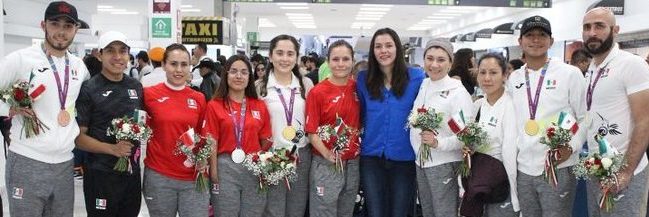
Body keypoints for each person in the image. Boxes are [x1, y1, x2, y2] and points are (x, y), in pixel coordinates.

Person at [0, 1, 90, 216]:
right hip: (27, 160)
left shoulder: (79, 66)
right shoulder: (20, 59)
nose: (61, 31)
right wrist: (10, 108)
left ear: (76, 29)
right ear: (43, 25)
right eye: (55, 24)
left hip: (64, 164)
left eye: (68, 26)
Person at [509, 15, 587, 217]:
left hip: (558, 165)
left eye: (542, 35)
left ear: (551, 41)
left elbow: (585, 118)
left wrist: (571, 147)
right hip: (524, 167)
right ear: (520, 42)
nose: (536, 40)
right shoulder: (514, 78)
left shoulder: (570, 74)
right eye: (530, 35)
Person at [582, 8, 649, 217]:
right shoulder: (592, 68)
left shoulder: (632, 64)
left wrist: (625, 172)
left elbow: (644, 121)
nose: (592, 32)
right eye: (587, 27)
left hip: (625, 172)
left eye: (599, 26)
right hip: (596, 170)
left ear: (615, 30)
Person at [356, 27, 425, 217]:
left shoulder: (416, 78)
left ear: (397, 49)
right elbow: (360, 113)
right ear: (373, 51)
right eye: (378, 46)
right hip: (371, 156)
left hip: (405, 156)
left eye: (388, 45)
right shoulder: (363, 79)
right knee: (375, 212)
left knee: (400, 212)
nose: (383, 50)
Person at [74, 31, 143, 216]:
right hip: (100, 175)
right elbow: (79, 138)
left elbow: (141, 123)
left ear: (129, 55)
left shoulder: (135, 87)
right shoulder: (89, 88)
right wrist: (112, 149)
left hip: (131, 174)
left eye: (123, 51)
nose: (118, 57)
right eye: (111, 51)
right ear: (100, 54)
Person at [142, 44, 209, 217]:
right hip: (159, 176)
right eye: (173, 64)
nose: (179, 70)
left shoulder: (199, 98)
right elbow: (138, 127)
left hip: (193, 177)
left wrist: (204, 158)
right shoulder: (148, 95)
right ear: (164, 65)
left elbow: (202, 135)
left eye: (184, 64)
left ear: (190, 66)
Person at [202, 54, 272, 217]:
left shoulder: (259, 105)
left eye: (244, 72)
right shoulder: (214, 105)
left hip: (253, 168)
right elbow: (211, 141)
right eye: (233, 71)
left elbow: (266, 140)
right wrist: (214, 173)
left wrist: (262, 166)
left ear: (250, 76)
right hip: (225, 168)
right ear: (226, 74)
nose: (238, 76)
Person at [409, 39, 473, 217]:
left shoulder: (458, 93)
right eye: (430, 58)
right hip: (421, 162)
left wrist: (439, 143)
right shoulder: (425, 84)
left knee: (444, 213)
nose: (434, 64)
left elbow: (465, 135)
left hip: (444, 164)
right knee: (428, 212)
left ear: (450, 63)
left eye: (441, 59)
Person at [256, 34, 314, 217]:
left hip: (301, 153)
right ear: (271, 56)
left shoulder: (306, 84)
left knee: (296, 209)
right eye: (279, 53)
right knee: (273, 210)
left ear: (296, 57)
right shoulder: (259, 87)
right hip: (273, 153)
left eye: (290, 54)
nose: (284, 58)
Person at [305, 40, 360, 217]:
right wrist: (328, 154)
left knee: (346, 212)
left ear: (353, 61)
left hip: (353, 163)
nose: (341, 64)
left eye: (346, 59)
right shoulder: (318, 92)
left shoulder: (358, 89)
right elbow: (311, 132)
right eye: (336, 59)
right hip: (326, 162)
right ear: (328, 62)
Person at [465, 53, 520, 217]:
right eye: (482, 72)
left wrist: (516, 196)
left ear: (504, 75)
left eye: (493, 72)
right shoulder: (478, 105)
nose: (487, 78)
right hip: (479, 182)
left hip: (502, 184)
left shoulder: (511, 106)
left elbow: (510, 153)